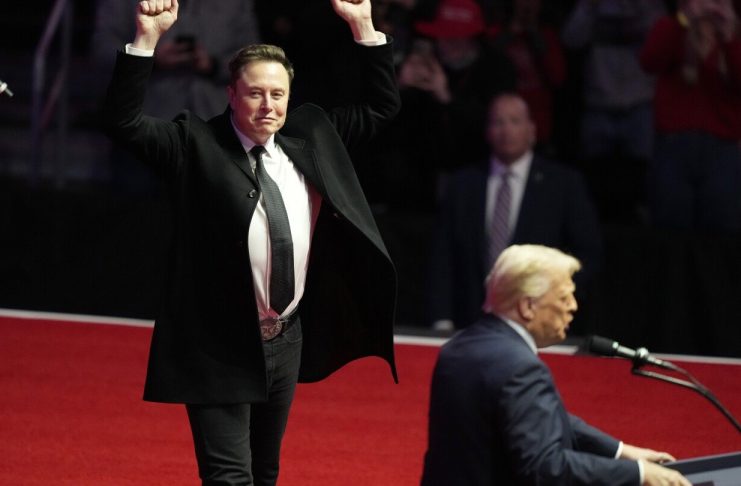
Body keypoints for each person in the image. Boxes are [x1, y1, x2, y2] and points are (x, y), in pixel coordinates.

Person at [101, 0, 400, 484]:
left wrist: (364, 26)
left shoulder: (311, 138)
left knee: (265, 474)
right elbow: (123, 122)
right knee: (229, 479)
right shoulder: (193, 144)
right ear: (231, 94)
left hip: (286, 338)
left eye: (278, 94)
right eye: (255, 93)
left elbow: (382, 107)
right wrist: (147, 39)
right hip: (217, 343)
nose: (268, 106)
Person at [421, 244, 691, 486]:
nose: (573, 307)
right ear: (528, 306)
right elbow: (546, 468)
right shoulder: (521, 368)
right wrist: (639, 474)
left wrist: (621, 451)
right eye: (564, 298)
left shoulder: (457, 348)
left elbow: (533, 419)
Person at [428, 93, 601, 331]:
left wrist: (551, 300)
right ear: (487, 131)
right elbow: (442, 258)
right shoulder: (463, 185)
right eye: (498, 122)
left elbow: (587, 254)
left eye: (514, 121)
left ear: (532, 130)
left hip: (537, 324)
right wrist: (441, 319)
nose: (506, 130)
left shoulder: (562, 184)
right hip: (470, 323)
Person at [640, 0, 741, 233]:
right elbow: (650, 62)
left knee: (721, 226)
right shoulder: (671, 26)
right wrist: (684, 20)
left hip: (723, 147)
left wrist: (729, 38)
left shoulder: (734, 35)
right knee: (671, 225)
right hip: (674, 144)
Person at [561, 0, 666, 223]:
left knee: (645, 179)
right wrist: (589, 7)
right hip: (599, 103)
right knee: (594, 179)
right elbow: (571, 39)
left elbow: (661, 38)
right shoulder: (591, 5)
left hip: (639, 103)